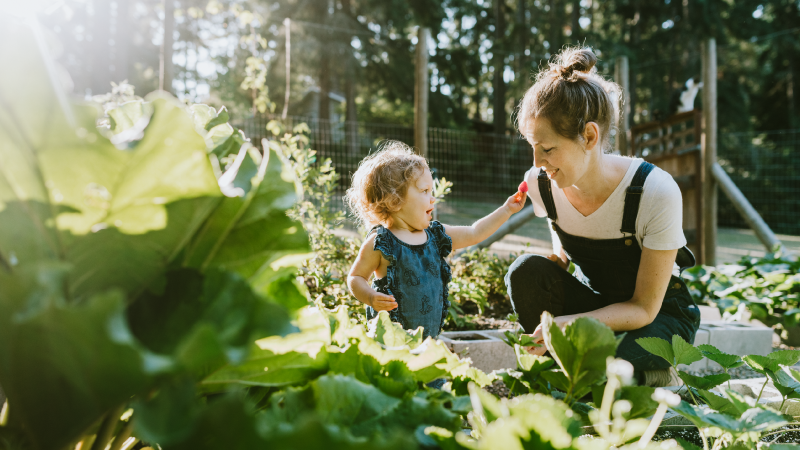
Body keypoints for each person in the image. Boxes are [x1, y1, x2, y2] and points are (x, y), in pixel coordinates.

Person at [505, 47, 700, 387]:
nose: (537, 162)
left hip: (657, 319)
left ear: (590, 136)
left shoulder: (654, 190)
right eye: (532, 146)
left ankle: (650, 373)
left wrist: (575, 325)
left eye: (548, 149)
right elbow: (562, 231)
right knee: (525, 271)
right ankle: (581, 373)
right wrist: (560, 260)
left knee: (604, 353)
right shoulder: (543, 184)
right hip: (600, 305)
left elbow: (643, 309)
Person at [346, 141, 526, 340]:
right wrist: (370, 297)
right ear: (394, 200)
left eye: (432, 191)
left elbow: (475, 233)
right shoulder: (381, 243)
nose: (432, 199)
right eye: (424, 191)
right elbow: (355, 278)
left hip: (428, 338)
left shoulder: (436, 235)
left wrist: (507, 210)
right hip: (390, 339)